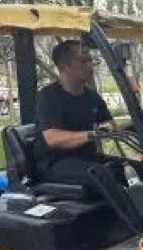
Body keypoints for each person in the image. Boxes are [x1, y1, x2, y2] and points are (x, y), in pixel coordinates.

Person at [35, 39, 122, 188]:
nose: (90, 66)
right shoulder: (49, 96)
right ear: (65, 66)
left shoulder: (93, 97)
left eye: (90, 61)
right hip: (56, 163)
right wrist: (92, 134)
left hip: (87, 159)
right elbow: (53, 138)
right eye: (83, 61)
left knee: (132, 167)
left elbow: (110, 127)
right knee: (101, 174)